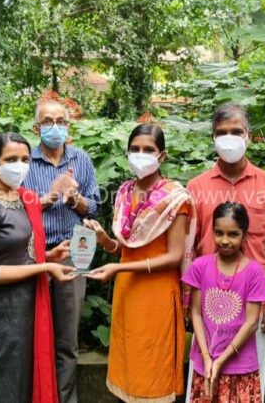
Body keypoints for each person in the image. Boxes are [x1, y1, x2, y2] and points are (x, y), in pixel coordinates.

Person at [0, 132, 75, 403]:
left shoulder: (20, 197)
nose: (20, 165)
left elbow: (14, 251)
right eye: (11, 159)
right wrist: (44, 268)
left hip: (23, 310)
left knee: (21, 384)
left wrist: (48, 255)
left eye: (25, 159)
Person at [84, 123, 197, 402]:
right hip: (127, 292)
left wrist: (119, 268)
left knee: (153, 368)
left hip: (157, 295)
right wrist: (103, 239)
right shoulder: (125, 192)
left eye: (148, 149)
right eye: (135, 149)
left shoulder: (175, 199)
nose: (140, 154)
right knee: (128, 364)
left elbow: (174, 257)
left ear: (162, 156)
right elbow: (123, 249)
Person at [186, 103, 265, 401]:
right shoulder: (196, 186)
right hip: (208, 306)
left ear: (249, 136)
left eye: (236, 131)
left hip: (254, 304)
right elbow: (190, 247)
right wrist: (187, 302)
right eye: (222, 132)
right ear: (213, 137)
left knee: (249, 383)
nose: (229, 138)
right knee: (205, 380)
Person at [23, 99, 100, 403]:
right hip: (33, 255)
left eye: (61, 121)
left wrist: (74, 199)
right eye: (47, 121)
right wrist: (52, 194)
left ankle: (66, 399)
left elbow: (94, 207)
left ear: (69, 126)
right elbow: (15, 209)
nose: (55, 127)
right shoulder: (24, 161)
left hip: (73, 252)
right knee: (32, 335)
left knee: (67, 340)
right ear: (36, 128)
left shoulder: (82, 159)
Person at [182, 202, 265, 402]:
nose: (224, 240)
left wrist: (220, 361)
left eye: (233, 234)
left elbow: (251, 323)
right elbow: (195, 313)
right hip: (205, 365)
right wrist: (207, 358)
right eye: (219, 233)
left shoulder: (255, 272)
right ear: (212, 232)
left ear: (244, 236)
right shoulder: (199, 267)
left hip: (240, 368)